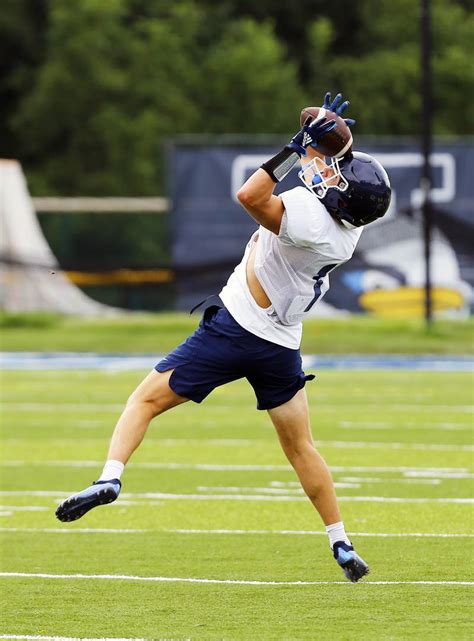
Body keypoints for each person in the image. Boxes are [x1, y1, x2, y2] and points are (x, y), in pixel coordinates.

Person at [56, 92, 391, 583]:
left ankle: (109, 477)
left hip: (234, 328)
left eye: (337, 177)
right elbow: (336, 173)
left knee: (143, 401)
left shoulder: (305, 214)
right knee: (302, 448)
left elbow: (250, 195)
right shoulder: (347, 230)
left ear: (341, 198)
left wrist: (296, 146)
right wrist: (327, 137)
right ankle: (339, 539)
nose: (328, 172)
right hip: (281, 346)